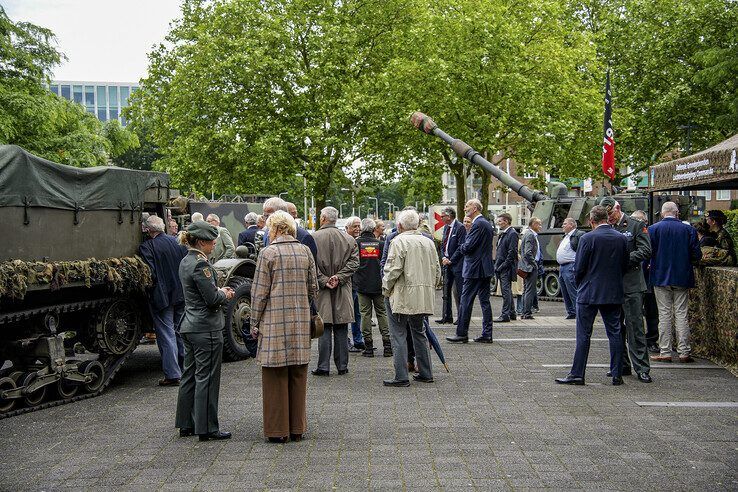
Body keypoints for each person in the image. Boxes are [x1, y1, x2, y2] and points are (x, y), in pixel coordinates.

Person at [250, 211, 318, 443]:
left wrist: (254, 322)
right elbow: (313, 288)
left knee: (275, 375)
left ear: (277, 229)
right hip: (300, 321)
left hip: (274, 322)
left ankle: (278, 430)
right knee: (298, 375)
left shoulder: (267, 253)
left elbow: (259, 293)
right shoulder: (305, 251)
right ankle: (297, 428)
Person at [175, 220, 235, 441]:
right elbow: (211, 299)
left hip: (189, 325)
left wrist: (216, 290)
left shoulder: (185, 261)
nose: (214, 245)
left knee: (189, 376)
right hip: (206, 327)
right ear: (201, 242)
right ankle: (207, 427)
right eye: (211, 242)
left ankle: (185, 423)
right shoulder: (202, 264)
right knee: (207, 378)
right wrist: (225, 294)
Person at [555, 205, 628, 386]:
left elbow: (578, 267)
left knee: (584, 334)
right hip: (613, 291)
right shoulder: (621, 238)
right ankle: (617, 373)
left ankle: (578, 374)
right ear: (608, 218)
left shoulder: (587, 238)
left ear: (591, 220)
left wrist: (581, 284)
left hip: (589, 292)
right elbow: (625, 264)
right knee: (615, 333)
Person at [382, 209, 441, 387]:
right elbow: (437, 270)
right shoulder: (428, 242)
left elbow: (392, 269)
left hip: (402, 294)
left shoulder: (398, 241)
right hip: (423, 295)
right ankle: (425, 372)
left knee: (398, 334)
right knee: (419, 332)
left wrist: (385, 288)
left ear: (399, 225)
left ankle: (401, 376)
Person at [598, 197, 653, 383]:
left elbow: (646, 250)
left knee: (635, 326)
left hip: (631, 284)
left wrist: (623, 259)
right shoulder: (606, 228)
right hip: (613, 285)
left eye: (610, 213)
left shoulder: (635, 225)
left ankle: (642, 368)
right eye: (606, 215)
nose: (609, 218)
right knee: (615, 328)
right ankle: (621, 365)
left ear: (618, 208)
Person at [648, 201, 701, 363]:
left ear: (663, 213)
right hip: (682, 276)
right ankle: (684, 352)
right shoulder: (689, 230)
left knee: (664, 314)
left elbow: (647, 252)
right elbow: (697, 255)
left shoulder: (653, 229)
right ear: (677, 213)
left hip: (660, 276)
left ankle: (665, 351)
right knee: (681, 314)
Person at [139, 215, 187, 386]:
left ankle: (173, 374)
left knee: (166, 335)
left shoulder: (147, 247)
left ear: (148, 229)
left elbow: (150, 274)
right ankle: (186, 368)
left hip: (162, 296)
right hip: (181, 293)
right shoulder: (177, 242)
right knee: (180, 332)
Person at [311, 207, 359, 376]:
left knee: (323, 327)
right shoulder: (349, 239)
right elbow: (354, 263)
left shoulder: (312, 239)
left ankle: (323, 366)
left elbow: (310, 266)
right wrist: (339, 277)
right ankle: (342, 366)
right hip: (342, 288)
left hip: (322, 289)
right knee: (341, 327)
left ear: (323, 218)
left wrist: (324, 280)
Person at [444, 199, 495, 344]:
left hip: (474, 269)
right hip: (484, 268)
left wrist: (459, 248)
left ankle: (461, 333)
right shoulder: (485, 223)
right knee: (485, 301)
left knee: (465, 300)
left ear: (474, 208)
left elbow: (468, 247)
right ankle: (487, 333)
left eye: (467, 206)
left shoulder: (478, 224)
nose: (465, 208)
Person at [354, 218, 391, 357]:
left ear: (362, 229)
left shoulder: (356, 243)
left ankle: (368, 346)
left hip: (362, 285)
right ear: (373, 228)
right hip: (378, 285)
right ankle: (387, 345)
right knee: (382, 313)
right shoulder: (380, 244)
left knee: (365, 314)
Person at [633, 210, 660, 354]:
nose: (638, 223)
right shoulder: (627, 235)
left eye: (640, 221)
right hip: (633, 280)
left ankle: (651, 340)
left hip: (648, 278)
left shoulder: (650, 234)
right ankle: (634, 340)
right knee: (633, 313)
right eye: (635, 220)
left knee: (652, 313)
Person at [437, 207, 466, 324]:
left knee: (458, 292)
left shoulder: (460, 227)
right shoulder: (445, 228)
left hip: (457, 264)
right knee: (446, 291)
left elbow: (461, 246)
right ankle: (446, 315)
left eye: (442, 216)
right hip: (447, 263)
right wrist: (443, 257)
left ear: (449, 216)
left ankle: (461, 317)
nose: (441, 217)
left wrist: (451, 260)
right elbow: (443, 244)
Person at [344, 216, 365, 352]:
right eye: (354, 227)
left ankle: (358, 339)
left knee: (357, 313)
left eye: (359, 226)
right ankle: (346, 341)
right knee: (347, 314)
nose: (357, 229)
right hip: (348, 283)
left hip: (358, 284)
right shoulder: (345, 241)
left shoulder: (360, 242)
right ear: (347, 228)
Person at [555, 218, 583, 320]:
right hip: (562, 267)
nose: (562, 225)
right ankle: (571, 311)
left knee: (572, 290)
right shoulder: (566, 236)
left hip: (571, 265)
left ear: (571, 225)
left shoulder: (578, 235)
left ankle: (578, 312)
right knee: (565, 291)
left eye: (565, 224)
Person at [494, 213, 518, 322]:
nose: (497, 223)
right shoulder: (503, 233)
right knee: (506, 290)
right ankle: (512, 313)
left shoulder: (512, 233)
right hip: (501, 266)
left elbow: (512, 252)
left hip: (506, 268)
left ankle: (505, 315)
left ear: (506, 221)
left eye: (500, 221)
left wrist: (503, 266)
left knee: (505, 291)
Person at [518, 217, 542, 320]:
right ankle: (527, 312)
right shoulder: (531, 235)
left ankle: (524, 311)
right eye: (539, 224)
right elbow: (528, 252)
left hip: (527, 266)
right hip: (531, 267)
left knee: (527, 289)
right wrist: (534, 263)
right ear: (533, 224)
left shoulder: (527, 234)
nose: (540, 226)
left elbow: (521, 251)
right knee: (530, 290)